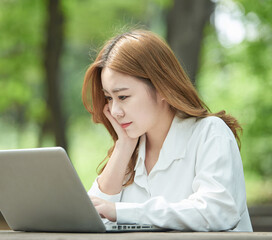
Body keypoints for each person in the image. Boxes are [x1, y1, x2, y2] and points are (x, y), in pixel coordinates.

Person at [81, 29, 253, 232]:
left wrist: (122, 211)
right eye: (109, 98)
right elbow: (92, 219)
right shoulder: (130, 150)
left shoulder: (210, 134)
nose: (115, 111)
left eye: (123, 97)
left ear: (162, 87)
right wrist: (123, 146)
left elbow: (217, 211)